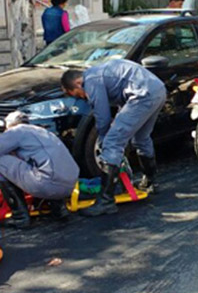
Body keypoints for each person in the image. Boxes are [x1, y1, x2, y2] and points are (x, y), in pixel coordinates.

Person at [61, 60, 167, 216]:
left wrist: (105, 140)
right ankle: (151, 182)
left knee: (112, 142)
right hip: (157, 90)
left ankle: (106, 201)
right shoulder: (99, 72)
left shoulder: (91, 81)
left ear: (78, 83)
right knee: (141, 138)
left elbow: (102, 116)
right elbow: (122, 100)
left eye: (76, 94)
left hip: (142, 95)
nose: (81, 98)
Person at [0, 111, 79, 228]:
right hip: (70, 184)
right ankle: (59, 208)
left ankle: (20, 217)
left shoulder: (16, 131)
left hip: (48, 184)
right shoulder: (42, 131)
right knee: (43, 164)